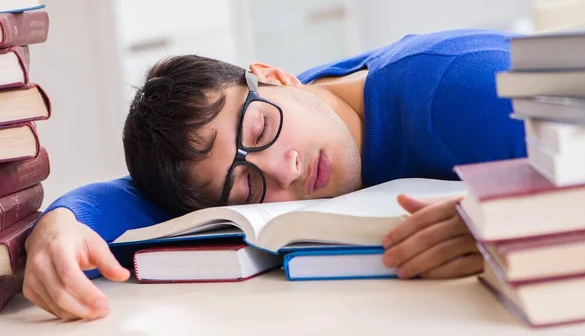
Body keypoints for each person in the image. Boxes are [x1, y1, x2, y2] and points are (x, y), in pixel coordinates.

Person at [24, 29, 526, 320]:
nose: (285, 170)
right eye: (246, 186)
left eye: (261, 128)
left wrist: (517, 226)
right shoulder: (280, 111)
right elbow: (133, 199)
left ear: (277, 76)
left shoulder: (462, 93)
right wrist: (61, 221)